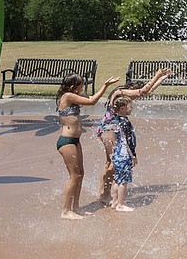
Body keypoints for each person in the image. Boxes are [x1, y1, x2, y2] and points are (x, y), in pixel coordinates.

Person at [96, 67, 172, 205]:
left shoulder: (122, 95)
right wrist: (157, 74)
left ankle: (104, 193)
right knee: (113, 163)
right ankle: (105, 195)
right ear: (131, 89)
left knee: (110, 162)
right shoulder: (120, 92)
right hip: (109, 130)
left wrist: (163, 78)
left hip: (110, 129)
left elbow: (147, 91)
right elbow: (143, 91)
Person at [56, 73, 119, 220]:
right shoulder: (67, 96)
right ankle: (65, 211)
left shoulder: (73, 97)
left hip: (75, 141)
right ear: (73, 86)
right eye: (81, 85)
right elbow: (91, 101)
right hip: (66, 141)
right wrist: (106, 85)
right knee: (74, 176)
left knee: (80, 174)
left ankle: (75, 207)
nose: (82, 88)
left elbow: (89, 99)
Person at [110, 95, 137, 212]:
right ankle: (120, 204)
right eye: (130, 106)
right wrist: (133, 156)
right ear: (122, 108)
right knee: (124, 180)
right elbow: (129, 141)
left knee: (117, 178)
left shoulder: (116, 120)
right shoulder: (125, 122)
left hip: (117, 153)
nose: (132, 108)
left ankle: (114, 201)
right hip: (125, 153)